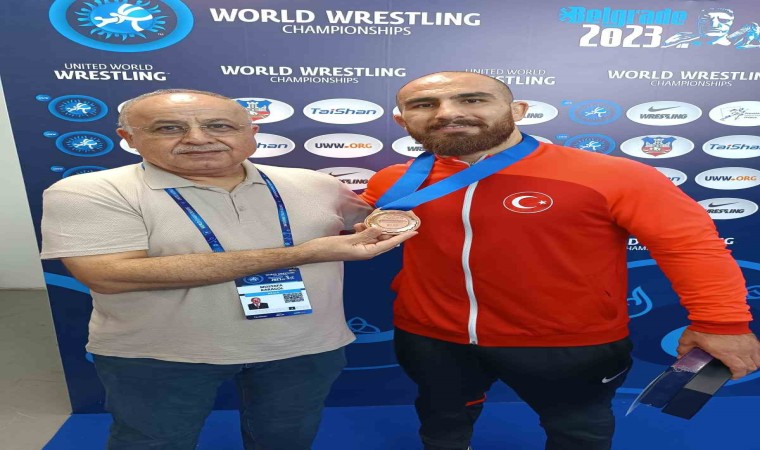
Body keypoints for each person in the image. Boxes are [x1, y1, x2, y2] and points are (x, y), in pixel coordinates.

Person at [360, 71, 760, 450]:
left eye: (473, 100)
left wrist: (721, 325)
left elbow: (690, 248)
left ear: (518, 111)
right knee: (442, 418)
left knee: (577, 429)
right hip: (432, 336)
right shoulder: (393, 181)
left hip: (568, 342)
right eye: (424, 104)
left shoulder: (614, 175)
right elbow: (345, 226)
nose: (447, 113)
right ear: (402, 120)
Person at [40, 89, 416, 450]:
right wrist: (301, 254)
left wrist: (388, 218)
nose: (198, 138)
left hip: (304, 348)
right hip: (161, 355)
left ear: (252, 133)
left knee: (286, 440)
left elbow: (376, 221)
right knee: (153, 443)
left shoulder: (316, 183)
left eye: (219, 126)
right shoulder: (89, 191)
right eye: (168, 128)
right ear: (129, 138)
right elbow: (108, 275)